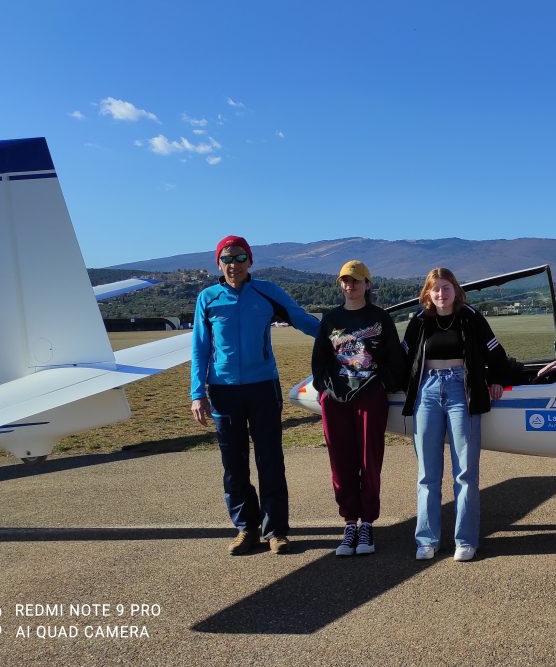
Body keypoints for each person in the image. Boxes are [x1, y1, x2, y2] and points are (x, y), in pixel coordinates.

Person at [190, 235, 320, 556]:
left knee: (270, 459)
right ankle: (245, 528)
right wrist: (197, 393)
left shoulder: (267, 292)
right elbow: (200, 348)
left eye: (239, 258)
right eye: (227, 259)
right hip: (222, 391)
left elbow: (302, 319)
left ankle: (275, 530)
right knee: (234, 464)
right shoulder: (208, 298)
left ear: (250, 261)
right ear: (218, 264)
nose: (233, 265)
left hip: (263, 387)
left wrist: (343, 334)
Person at [401, 267, 513, 562]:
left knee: (465, 472)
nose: (441, 294)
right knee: (427, 473)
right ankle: (427, 539)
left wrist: (496, 378)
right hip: (428, 390)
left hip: (461, 391)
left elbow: (494, 350)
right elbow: (403, 357)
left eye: (446, 288)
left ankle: (465, 540)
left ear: (456, 290)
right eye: (435, 289)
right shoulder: (418, 321)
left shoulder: (470, 317)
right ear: (427, 293)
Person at [311, 261, 406, 557]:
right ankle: (349, 522)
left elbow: (396, 360)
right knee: (341, 462)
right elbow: (320, 361)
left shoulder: (380, 318)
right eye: (345, 281)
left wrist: (380, 385)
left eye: (356, 281)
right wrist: (327, 388)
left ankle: (367, 523)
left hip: (369, 398)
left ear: (367, 284)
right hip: (337, 400)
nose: (350, 286)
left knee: (369, 460)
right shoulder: (331, 319)